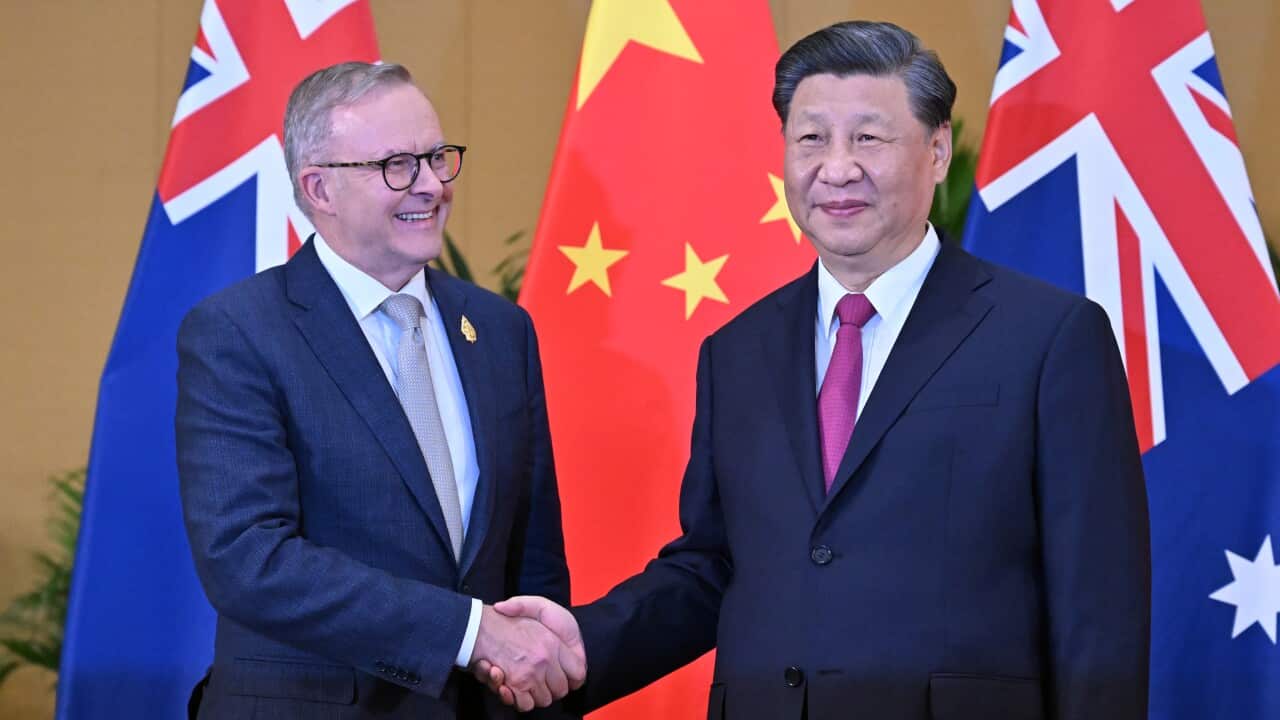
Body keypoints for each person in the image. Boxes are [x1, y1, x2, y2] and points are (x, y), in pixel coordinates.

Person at [482, 21, 1151, 720]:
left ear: (937, 150)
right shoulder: (737, 350)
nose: (837, 169)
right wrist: (584, 645)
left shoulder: (1048, 337)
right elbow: (715, 565)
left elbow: (1097, 605)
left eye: (868, 138)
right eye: (811, 139)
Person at [176, 62, 584, 719]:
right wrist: (469, 633)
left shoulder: (500, 330)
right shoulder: (239, 333)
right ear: (319, 188)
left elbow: (532, 560)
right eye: (397, 165)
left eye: (437, 157)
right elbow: (248, 559)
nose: (431, 185)